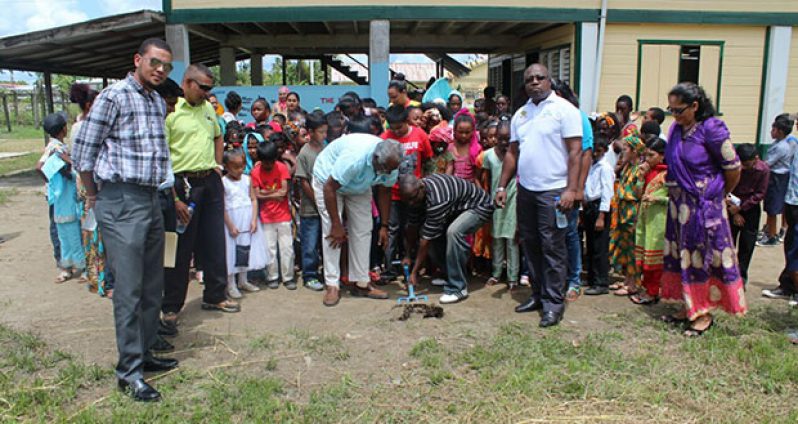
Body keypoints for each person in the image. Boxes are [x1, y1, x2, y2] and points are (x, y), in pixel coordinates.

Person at [72, 38, 178, 402]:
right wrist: (94, 195)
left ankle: (146, 352)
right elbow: (83, 152)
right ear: (138, 60)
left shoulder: (152, 99)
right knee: (130, 289)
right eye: (155, 62)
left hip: (150, 198)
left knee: (152, 285)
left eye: (167, 65)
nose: (161, 70)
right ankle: (128, 372)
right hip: (119, 200)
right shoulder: (114, 96)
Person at [496, 63, 583, 328]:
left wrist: (571, 189)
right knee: (530, 245)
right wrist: (501, 186)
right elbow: (512, 153)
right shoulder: (521, 114)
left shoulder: (565, 111)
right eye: (529, 79)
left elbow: (576, 152)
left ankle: (553, 305)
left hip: (553, 191)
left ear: (549, 81)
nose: (534, 82)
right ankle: (537, 295)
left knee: (553, 248)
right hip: (527, 190)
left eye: (540, 78)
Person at [660, 82, 746, 336]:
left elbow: (733, 167)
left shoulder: (712, 129)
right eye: (671, 110)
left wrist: (717, 194)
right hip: (679, 207)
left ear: (695, 106)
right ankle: (689, 305)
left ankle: (704, 312)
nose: (674, 115)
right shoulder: (677, 129)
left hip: (703, 209)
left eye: (679, 110)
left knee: (703, 257)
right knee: (681, 256)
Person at [163, 63, 241, 329]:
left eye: (210, 88)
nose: (208, 94)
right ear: (187, 83)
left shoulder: (209, 109)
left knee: (214, 242)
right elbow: (162, 157)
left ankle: (215, 295)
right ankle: (171, 305)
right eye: (203, 88)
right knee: (179, 248)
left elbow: (219, 136)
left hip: (209, 180)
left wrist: (218, 166)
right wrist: (174, 197)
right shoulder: (171, 112)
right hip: (182, 184)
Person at [312, 117, 402, 306]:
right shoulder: (354, 158)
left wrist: (384, 225)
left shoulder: (391, 162)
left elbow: (385, 191)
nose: (386, 173)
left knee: (364, 229)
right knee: (332, 233)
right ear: (376, 159)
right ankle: (332, 284)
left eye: (389, 171)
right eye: (383, 169)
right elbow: (330, 188)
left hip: (359, 185)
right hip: (329, 180)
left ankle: (361, 282)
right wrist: (337, 225)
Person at [401, 173, 494, 303]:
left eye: (413, 198)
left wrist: (414, 272)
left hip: (480, 206)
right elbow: (412, 227)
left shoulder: (437, 199)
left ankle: (458, 288)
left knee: (454, 232)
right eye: (407, 200)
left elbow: (425, 241)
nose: (411, 203)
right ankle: (450, 274)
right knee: (435, 235)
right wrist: (407, 255)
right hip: (457, 208)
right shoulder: (415, 197)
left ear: (422, 187)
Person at [380, 105, 433, 280]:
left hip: (414, 195)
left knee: (413, 229)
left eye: (399, 127)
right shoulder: (384, 139)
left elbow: (427, 161)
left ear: (406, 121)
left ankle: (415, 266)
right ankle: (388, 269)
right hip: (392, 194)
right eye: (392, 127)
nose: (396, 131)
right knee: (392, 230)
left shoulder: (420, 135)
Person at [38, 112, 86, 283]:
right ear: (63, 129)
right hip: (63, 197)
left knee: (64, 232)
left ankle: (67, 266)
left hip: (59, 198)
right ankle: (74, 266)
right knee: (69, 232)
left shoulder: (56, 146)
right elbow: (41, 166)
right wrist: (60, 176)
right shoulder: (56, 148)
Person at [222, 149, 268, 299]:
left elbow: (253, 199)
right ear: (226, 167)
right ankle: (231, 284)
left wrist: (254, 219)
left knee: (245, 249)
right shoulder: (224, 182)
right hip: (232, 219)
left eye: (242, 166)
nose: (239, 170)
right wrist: (229, 225)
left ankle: (243, 280)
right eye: (235, 167)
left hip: (246, 218)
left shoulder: (247, 180)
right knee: (231, 251)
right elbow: (222, 206)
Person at [251, 142, 295, 289]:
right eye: (265, 162)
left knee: (287, 247)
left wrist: (265, 193)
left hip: (283, 215)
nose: (268, 165)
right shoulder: (256, 172)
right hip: (266, 216)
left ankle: (288, 277)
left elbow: (284, 192)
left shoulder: (281, 167)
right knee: (269, 249)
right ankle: (273, 276)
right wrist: (274, 195)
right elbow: (257, 194)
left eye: (270, 162)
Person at [630, 137, 668, 305]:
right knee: (644, 258)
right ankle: (647, 288)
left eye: (651, 155)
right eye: (645, 155)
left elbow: (676, 198)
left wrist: (657, 199)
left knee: (655, 260)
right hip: (645, 219)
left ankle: (653, 292)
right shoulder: (648, 172)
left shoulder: (670, 173)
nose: (647, 159)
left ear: (662, 155)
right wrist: (640, 176)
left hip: (659, 222)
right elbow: (638, 194)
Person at [294, 113, 328, 291]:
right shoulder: (304, 153)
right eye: (321, 132)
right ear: (311, 132)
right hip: (310, 208)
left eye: (325, 131)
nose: (324, 135)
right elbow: (303, 181)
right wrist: (317, 199)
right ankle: (309, 275)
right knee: (310, 243)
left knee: (325, 242)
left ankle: (324, 272)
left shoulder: (325, 149)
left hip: (326, 206)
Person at [482, 120, 518, 288]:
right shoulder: (488, 156)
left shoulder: (518, 154)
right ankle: (496, 273)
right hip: (496, 200)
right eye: (501, 138)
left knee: (512, 240)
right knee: (496, 238)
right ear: (495, 138)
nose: (504, 142)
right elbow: (485, 178)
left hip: (514, 200)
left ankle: (512, 277)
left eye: (508, 139)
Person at [609, 134, 646, 297]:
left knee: (632, 249)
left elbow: (639, 192)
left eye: (626, 149)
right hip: (622, 210)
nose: (623, 151)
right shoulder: (627, 167)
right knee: (623, 246)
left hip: (632, 210)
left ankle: (633, 283)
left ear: (634, 150)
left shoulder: (639, 169)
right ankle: (626, 280)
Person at [729, 144, 768, 286]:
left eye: (746, 164)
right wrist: (734, 211)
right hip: (731, 206)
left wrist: (741, 209)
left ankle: (741, 277)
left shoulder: (763, 170)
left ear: (756, 159)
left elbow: (759, 194)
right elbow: (727, 187)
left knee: (747, 244)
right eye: (741, 164)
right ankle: (728, 275)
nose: (743, 168)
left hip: (750, 209)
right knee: (728, 242)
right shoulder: (733, 167)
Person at [770, 118, 798, 306]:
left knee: (795, 247)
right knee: (790, 244)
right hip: (792, 199)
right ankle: (788, 285)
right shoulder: (793, 143)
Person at [582, 137, 615, 296]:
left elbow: (607, 193)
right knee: (590, 245)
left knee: (599, 247)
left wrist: (601, 216)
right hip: (589, 206)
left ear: (604, 151)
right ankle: (591, 277)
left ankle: (601, 282)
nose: (595, 153)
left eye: (598, 150)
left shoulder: (605, 168)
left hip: (600, 208)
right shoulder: (590, 165)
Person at [759, 114, 797, 247]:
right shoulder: (778, 143)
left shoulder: (782, 147)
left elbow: (768, 163)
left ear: (780, 131)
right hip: (774, 177)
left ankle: (772, 236)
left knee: (773, 208)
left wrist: (757, 164)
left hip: (777, 178)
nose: (771, 132)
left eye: (773, 129)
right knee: (770, 206)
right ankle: (769, 230)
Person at [450, 111, 482, 184]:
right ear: (454, 130)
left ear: (473, 131)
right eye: (460, 132)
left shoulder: (477, 149)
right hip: (453, 187)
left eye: (467, 132)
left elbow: (477, 175)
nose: (463, 135)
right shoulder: (450, 148)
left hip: (470, 188)